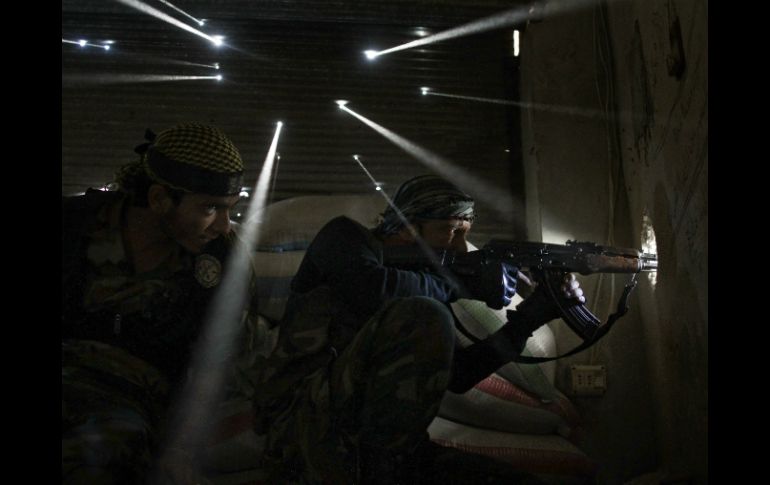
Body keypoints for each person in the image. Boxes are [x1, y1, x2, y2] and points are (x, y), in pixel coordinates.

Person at [252, 174, 586, 484]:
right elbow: (371, 289)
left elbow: (459, 375)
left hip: (386, 448)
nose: (459, 247)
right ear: (409, 227)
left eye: (465, 234)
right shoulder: (344, 238)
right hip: (306, 425)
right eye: (450, 231)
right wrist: (458, 284)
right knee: (426, 312)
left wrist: (532, 316)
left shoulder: (422, 292)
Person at [61, 122, 261, 484]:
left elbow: (215, 366)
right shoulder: (75, 226)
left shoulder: (221, 262)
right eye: (210, 208)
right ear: (158, 199)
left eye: (229, 209)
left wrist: (181, 448)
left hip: (126, 397)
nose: (224, 226)